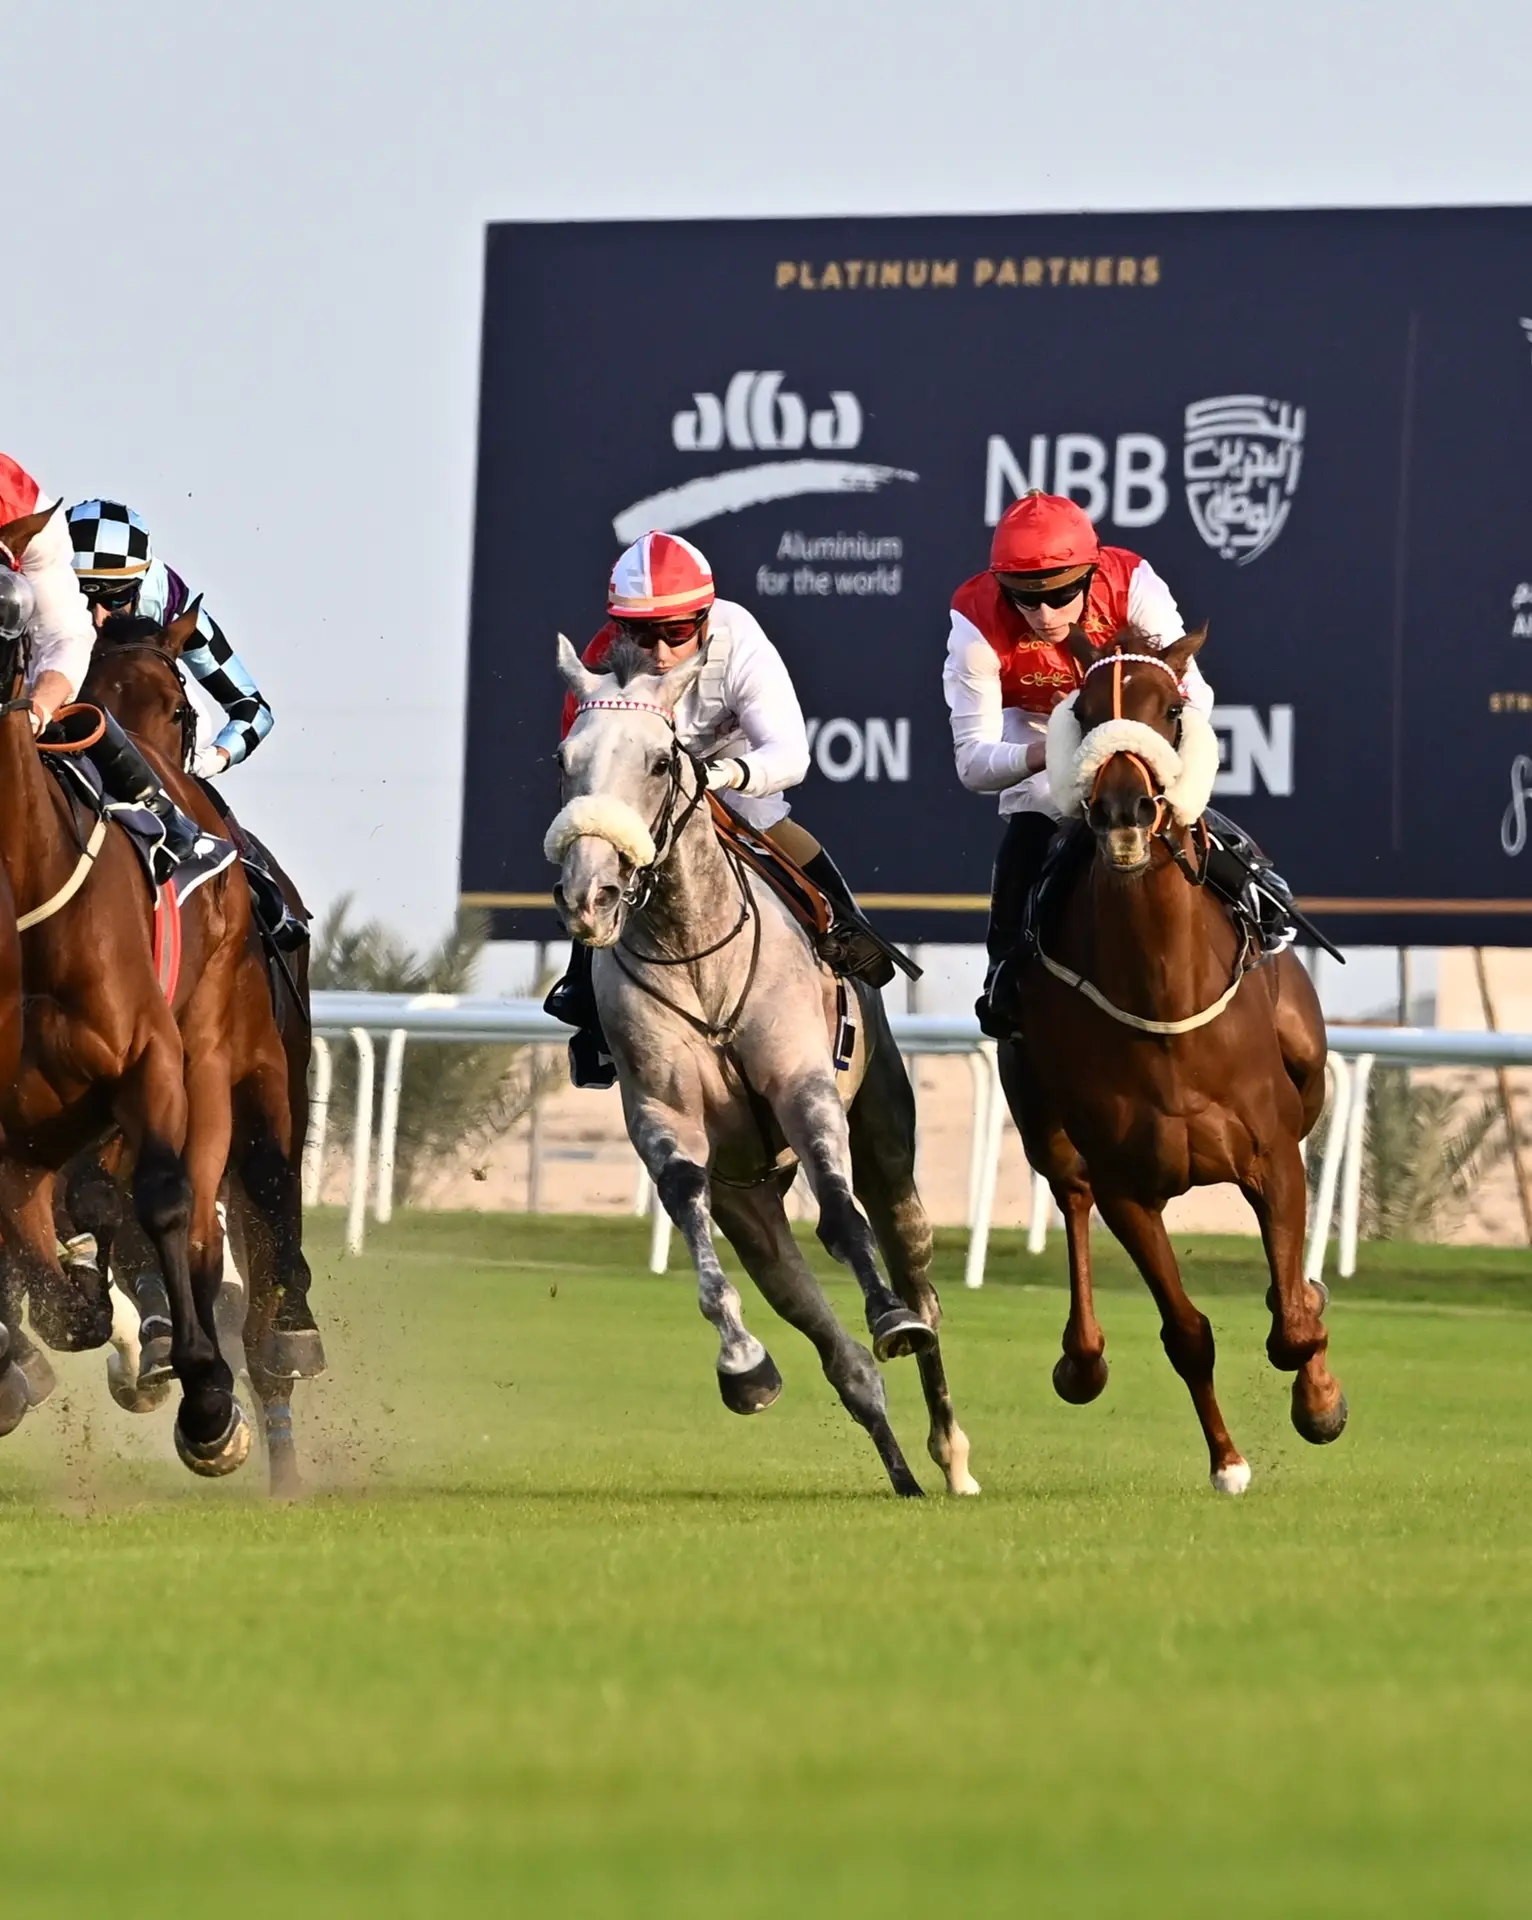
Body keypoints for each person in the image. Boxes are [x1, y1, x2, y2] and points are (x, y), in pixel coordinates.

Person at [545, 530, 907, 1087]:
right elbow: (585, 778)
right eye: (641, 634)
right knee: (596, 866)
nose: (660, 652)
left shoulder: (739, 640)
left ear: (704, 618)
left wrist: (715, 778)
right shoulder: (597, 668)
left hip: (731, 782)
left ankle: (846, 932)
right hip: (644, 803)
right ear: (620, 627)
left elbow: (790, 754)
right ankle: (585, 1001)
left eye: (676, 632)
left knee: (778, 835)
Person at [943, 489, 1300, 1039]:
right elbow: (973, 763)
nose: (1043, 615)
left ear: (1090, 574)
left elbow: (1192, 693)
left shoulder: (1132, 581)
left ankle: (1256, 887)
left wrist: (1135, 737)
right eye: (1023, 599)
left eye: (1061, 595)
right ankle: (1004, 970)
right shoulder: (975, 622)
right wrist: (1058, 749)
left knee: (1169, 804)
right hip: (1039, 727)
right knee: (1033, 824)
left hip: (1135, 719)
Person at [66, 499, 304, 946]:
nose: (98, 617)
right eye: (83, 598)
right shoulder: (37, 591)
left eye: (115, 599)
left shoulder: (172, 603)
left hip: (156, 729)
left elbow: (252, 709)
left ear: (141, 583)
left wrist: (212, 760)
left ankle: (261, 889)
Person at [0, 460, 216, 872]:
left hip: (23, 645)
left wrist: (39, 708)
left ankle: (161, 811)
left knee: (84, 700)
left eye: (116, 597)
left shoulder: (25, 510)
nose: (103, 611)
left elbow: (65, 635)